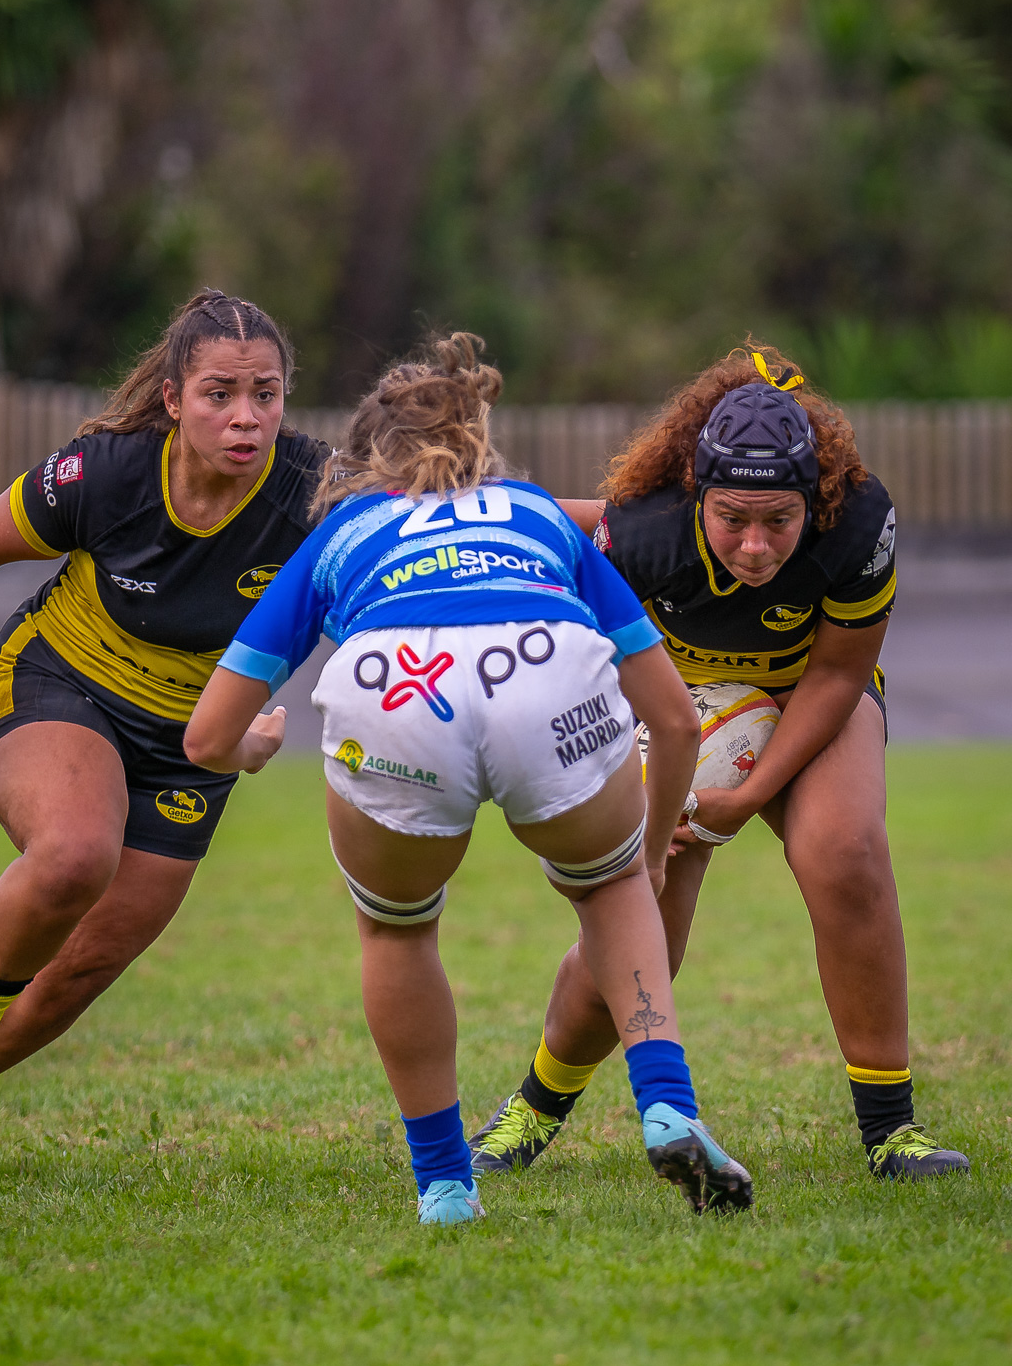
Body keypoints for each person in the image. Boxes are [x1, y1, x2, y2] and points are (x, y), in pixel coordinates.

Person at [183, 332, 754, 1226]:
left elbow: (207, 735)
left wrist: (249, 750)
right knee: (609, 895)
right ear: (479, 448)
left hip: (395, 691)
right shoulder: (532, 512)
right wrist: (647, 854)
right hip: (545, 672)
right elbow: (677, 719)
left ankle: (447, 1185)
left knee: (398, 933)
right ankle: (668, 1107)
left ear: (370, 463)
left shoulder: (346, 529)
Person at [0, 290, 327, 1171]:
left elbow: (429, 539)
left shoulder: (316, 491)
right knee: (74, 855)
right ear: (175, 399)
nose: (246, 416)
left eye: (266, 393)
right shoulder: (109, 473)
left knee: (81, 967)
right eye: (220, 393)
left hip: (189, 741)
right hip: (60, 682)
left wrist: (239, 741)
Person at [468, 346, 969, 1184]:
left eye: (779, 520)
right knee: (646, 911)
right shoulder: (642, 527)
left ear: (815, 501)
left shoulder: (858, 523)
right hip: (684, 700)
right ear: (695, 496)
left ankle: (892, 1132)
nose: (755, 544)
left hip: (810, 688)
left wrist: (752, 794)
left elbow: (841, 674)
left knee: (844, 851)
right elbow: (549, 573)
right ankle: (533, 1107)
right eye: (733, 517)